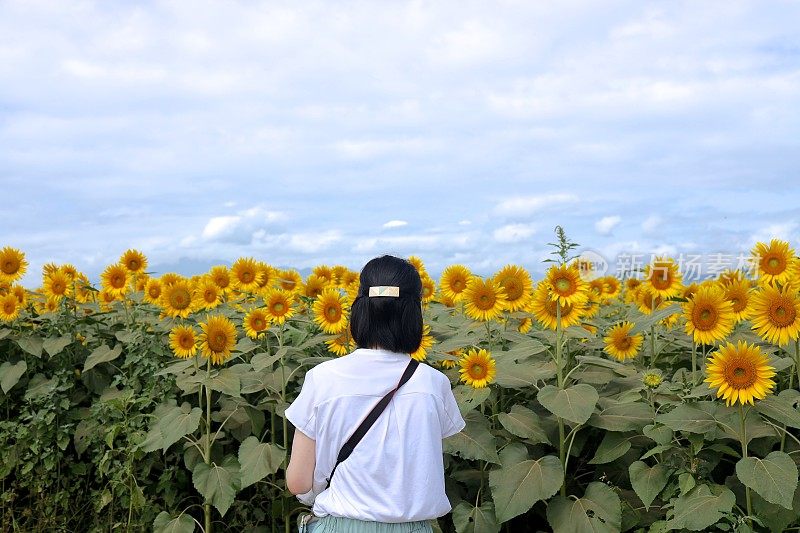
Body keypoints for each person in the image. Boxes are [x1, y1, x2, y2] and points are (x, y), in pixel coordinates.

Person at [284, 255, 466, 533]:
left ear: (360, 310)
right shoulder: (432, 384)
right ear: (413, 314)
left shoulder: (322, 379)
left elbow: (298, 482)